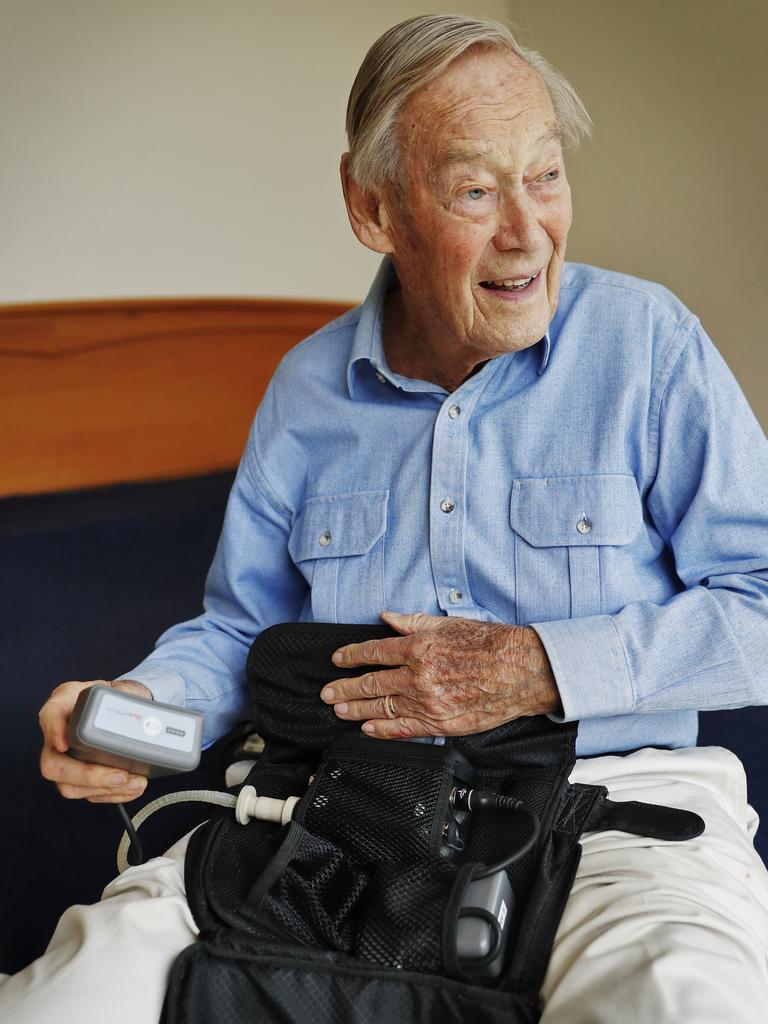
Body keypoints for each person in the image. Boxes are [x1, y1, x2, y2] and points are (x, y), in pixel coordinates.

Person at [4, 12, 768, 1023]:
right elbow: (243, 634)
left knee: (685, 1006)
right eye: (475, 189)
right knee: (64, 998)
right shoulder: (305, 388)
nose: (527, 230)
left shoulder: (650, 345)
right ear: (374, 209)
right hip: (333, 807)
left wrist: (541, 666)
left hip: (617, 814)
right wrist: (136, 714)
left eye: (545, 175)